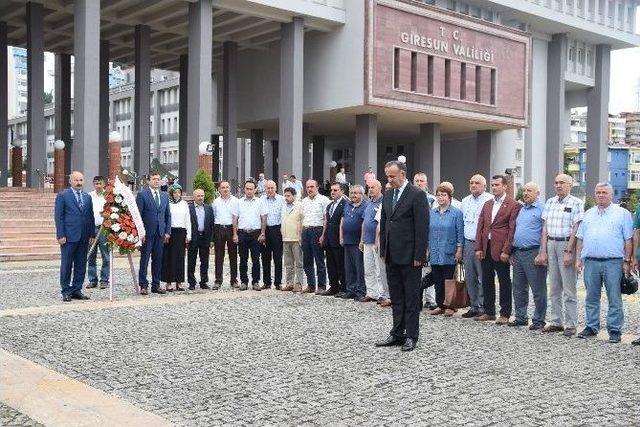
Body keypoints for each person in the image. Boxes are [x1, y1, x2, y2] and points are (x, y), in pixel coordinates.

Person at [375, 161, 429, 352]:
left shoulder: (417, 195)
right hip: (392, 254)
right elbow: (384, 223)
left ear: (403, 175)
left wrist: (419, 255)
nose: (389, 180)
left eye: (392, 176)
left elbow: (422, 228)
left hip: (410, 256)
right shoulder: (388, 194)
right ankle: (397, 333)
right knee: (396, 297)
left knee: (411, 298)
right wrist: (383, 250)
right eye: (387, 176)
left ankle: (411, 336)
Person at [575, 183, 633, 343]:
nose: (601, 195)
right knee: (591, 297)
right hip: (591, 262)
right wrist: (578, 259)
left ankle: (614, 330)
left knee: (614, 297)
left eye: (604, 192)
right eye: (598, 192)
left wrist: (627, 261)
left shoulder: (623, 214)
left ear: (611, 195)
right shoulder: (588, 214)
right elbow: (580, 238)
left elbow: (628, 240)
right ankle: (591, 327)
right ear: (595, 194)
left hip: (613, 262)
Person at [537, 174, 584, 336]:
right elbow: (545, 228)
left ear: (570, 185)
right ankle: (556, 321)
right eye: (556, 182)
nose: (558, 185)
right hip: (551, 244)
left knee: (569, 288)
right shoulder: (550, 202)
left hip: (566, 244)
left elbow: (577, 229)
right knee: (554, 287)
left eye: (562, 183)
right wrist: (542, 250)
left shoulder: (576, 203)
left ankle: (571, 324)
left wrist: (569, 251)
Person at [474, 175, 520, 324]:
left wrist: (507, 250)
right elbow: (481, 226)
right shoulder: (487, 204)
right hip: (486, 248)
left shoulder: (513, 204)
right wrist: (479, 247)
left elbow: (512, 230)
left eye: (497, 185)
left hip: (501, 249)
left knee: (504, 281)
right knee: (486, 280)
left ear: (505, 186)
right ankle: (489, 311)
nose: (494, 187)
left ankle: (505, 313)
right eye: (492, 185)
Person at [55, 171, 96, 302]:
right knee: (66, 264)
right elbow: (58, 217)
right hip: (68, 236)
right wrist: (60, 234)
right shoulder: (63, 196)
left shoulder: (87, 197)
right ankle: (66, 291)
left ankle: (77, 289)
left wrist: (91, 234)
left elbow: (90, 216)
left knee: (81, 264)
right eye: (76, 180)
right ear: (70, 181)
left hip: (84, 237)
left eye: (81, 180)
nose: (79, 183)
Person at [510, 182, 547, 329]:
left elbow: (546, 231)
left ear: (538, 193)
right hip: (518, 252)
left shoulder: (542, 209)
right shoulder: (521, 209)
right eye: (524, 190)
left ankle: (539, 320)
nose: (525, 193)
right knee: (518, 288)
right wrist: (512, 251)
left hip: (534, 252)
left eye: (529, 190)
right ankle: (520, 317)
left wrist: (543, 253)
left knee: (538, 289)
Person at [428, 184, 464, 317]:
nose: (440, 197)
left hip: (449, 251)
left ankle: (450, 305)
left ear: (449, 197)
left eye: (444, 195)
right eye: (438, 195)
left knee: (449, 279)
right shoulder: (432, 213)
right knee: (437, 279)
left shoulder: (456, 213)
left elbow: (460, 233)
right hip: (435, 251)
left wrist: (459, 250)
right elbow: (428, 232)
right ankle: (440, 305)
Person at [460, 174, 492, 318]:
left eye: (477, 183)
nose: (473, 185)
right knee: (470, 276)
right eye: (471, 182)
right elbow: (462, 224)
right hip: (468, 242)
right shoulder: (465, 201)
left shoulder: (489, 200)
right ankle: (474, 306)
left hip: (483, 244)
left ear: (484, 186)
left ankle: (485, 306)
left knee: (483, 276)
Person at [136, 171, 172, 295]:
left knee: (158, 260)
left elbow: (168, 215)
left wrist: (167, 231)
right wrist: (140, 233)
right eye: (154, 179)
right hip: (147, 233)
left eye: (158, 179)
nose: (156, 181)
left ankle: (156, 285)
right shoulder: (142, 195)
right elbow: (138, 216)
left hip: (160, 233)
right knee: (144, 260)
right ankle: (143, 285)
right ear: (148, 181)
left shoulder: (164, 196)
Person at [361, 179, 391, 306]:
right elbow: (364, 222)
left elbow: (381, 223)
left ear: (380, 188)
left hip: (377, 241)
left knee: (380, 270)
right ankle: (371, 292)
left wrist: (377, 240)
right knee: (368, 269)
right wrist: (361, 239)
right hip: (367, 240)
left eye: (373, 187)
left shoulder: (384, 202)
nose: (370, 189)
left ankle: (382, 294)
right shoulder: (368, 203)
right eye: (369, 187)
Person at [233, 180, 267, 291]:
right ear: (244, 189)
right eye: (247, 189)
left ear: (255, 190)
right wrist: (235, 234)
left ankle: (255, 281)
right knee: (243, 259)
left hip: (256, 234)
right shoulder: (239, 202)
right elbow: (235, 219)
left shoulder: (260, 202)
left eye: (251, 189)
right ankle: (244, 281)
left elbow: (264, 218)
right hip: (242, 233)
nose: (249, 191)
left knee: (256, 259)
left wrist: (262, 233)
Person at [300, 179, 331, 293]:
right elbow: (302, 218)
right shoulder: (304, 201)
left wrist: (323, 235)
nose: (309, 189)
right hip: (306, 230)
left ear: (317, 187)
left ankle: (322, 286)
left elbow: (326, 219)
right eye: (308, 187)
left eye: (312, 186)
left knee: (319, 260)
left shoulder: (324, 200)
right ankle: (311, 285)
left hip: (317, 231)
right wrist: (300, 235)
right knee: (307, 260)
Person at [340, 185, 369, 301]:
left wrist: (362, 240)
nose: (353, 195)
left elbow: (364, 224)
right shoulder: (348, 205)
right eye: (351, 193)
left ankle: (360, 291)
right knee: (349, 267)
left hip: (357, 242)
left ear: (362, 195)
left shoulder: (365, 206)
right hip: (347, 240)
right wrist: (341, 237)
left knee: (359, 268)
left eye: (356, 193)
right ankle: (350, 289)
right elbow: (342, 221)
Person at [413, 172, 437, 310]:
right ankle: (417, 299)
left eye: (422, 180)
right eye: (416, 180)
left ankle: (430, 299)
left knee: (429, 269)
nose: (419, 183)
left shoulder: (432, 200)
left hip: (428, 239)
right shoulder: (409, 198)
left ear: (426, 183)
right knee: (417, 269)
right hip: (414, 239)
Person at [161, 184, 191, 292]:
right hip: (170, 232)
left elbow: (188, 220)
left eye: (179, 192)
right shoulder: (168, 203)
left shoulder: (184, 204)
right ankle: (168, 282)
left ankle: (179, 282)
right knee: (168, 258)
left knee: (180, 257)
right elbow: (165, 218)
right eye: (175, 192)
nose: (177, 194)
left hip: (181, 232)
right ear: (171, 193)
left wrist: (189, 235)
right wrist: (166, 232)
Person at [322, 182, 347, 296]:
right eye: (331, 190)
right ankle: (333, 286)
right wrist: (324, 236)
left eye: (335, 190)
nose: (332, 192)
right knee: (330, 265)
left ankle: (343, 287)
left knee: (340, 264)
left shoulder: (346, 204)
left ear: (342, 191)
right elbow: (327, 221)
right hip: (329, 239)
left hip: (339, 239)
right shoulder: (330, 205)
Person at [212, 181, 239, 288]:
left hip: (231, 228)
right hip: (219, 228)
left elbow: (238, 217)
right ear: (219, 189)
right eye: (223, 187)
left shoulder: (236, 201)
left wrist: (236, 232)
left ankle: (234, 280)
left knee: (233, 255)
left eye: (227, 187)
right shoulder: (215, 202)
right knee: (218, 255)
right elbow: (214, 216)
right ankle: (218, 280)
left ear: (230, 188)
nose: (225, 189)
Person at [188, 189, 215, 290]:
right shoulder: (189, 208)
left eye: (202, 196)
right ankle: (191, 282)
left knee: (205, 261)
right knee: (191, 261)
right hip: (193, 238)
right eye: (198, 196)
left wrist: (212, 240)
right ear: (194, 197)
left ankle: (204, 281)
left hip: (205, 237)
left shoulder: (208, 208)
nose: (200, 198)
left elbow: (212, 225)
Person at [261, 180, 285, 290]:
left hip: (277, 230)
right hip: (265, 230)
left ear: (276, 188)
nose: (270, 190)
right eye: (268, 188)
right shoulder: (261, 200)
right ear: (265, 189)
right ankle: (266, 282)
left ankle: (278, 282)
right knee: (265, 258)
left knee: (278, 258)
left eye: (272, 188)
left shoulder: (282, 200)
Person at [87, 175, 109, 290]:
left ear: (104, 184)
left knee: (106, 256)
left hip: (104, 229)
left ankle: (104, 280)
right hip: (92, 229)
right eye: (96, 184)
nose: (98, 186)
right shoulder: (89, 196)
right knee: (91, 255)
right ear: (93, 184)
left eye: (100, 183)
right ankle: (92, 279)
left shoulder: (108, 196)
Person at [281, 187, 304, 292]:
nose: (286, 198)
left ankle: (299, 283)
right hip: (285, 238)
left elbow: (302, 221)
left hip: (296, 238)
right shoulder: (283, 206)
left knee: (298, 263)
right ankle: (289, 283)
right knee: (288, 263)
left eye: (288, 196)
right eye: (285, 195)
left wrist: (300, 236)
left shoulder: (299, 206)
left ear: (294, 196)